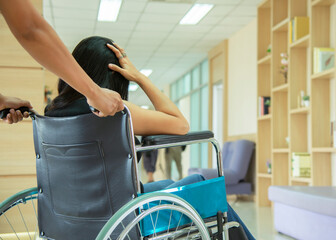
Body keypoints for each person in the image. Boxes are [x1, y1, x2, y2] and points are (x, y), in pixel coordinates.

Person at [45, 36, 254, 240]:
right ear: (114, 75)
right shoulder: (115, 109)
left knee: (169, 182)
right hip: (123, 216)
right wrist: (138, 76)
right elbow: (180, 124)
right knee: (203, 185)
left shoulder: (52, 112)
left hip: (72, 217)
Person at [0, 0, 123, 124]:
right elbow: (30, 28)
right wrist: (95, 93)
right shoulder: (118, 110)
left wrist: (1, 101)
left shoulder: (52, 110)